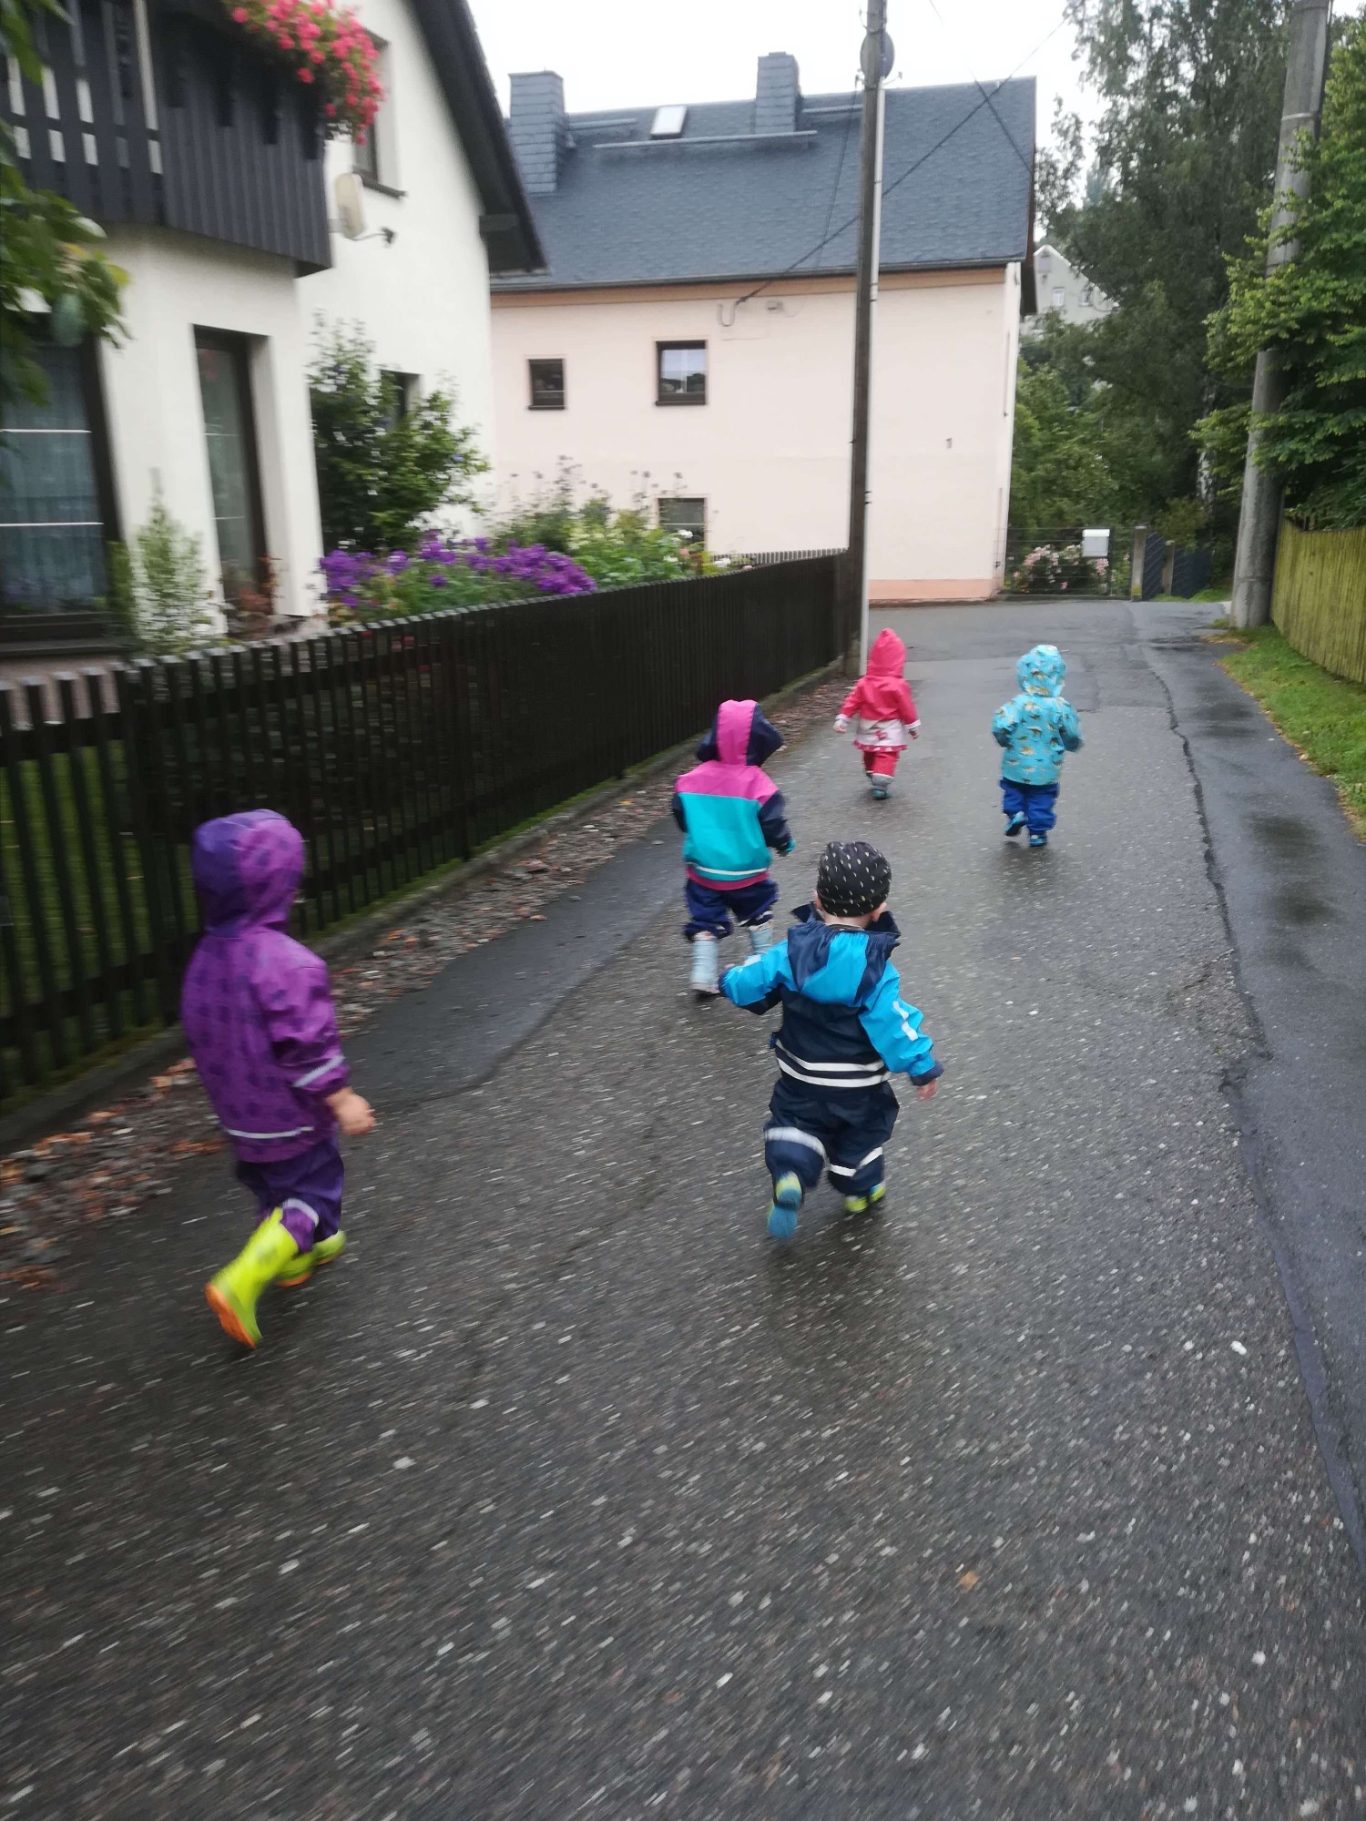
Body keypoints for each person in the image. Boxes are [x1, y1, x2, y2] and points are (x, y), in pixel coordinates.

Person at [180, 810, 375, 1348]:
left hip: (240, 1115)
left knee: (274, 1188)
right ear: (278, 886)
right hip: (290, 1115)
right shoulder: (285, 963)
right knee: (313, 1192)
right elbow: (307, 1043)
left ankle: (295, 1258)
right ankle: (243, 1279)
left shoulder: (204, 960)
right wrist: (341, 1098)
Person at [720, 840, 942, 1240]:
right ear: (878, 910)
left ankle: (791, 1171)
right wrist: (921, 1064)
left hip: (801, 1076)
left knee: (796, 1122)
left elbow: (751, 979)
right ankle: (860, 1190)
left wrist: (728, 980)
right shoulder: (876, 971)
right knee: (861, 1136)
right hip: (858, 1087)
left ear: (818, 899)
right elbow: (895, 1023)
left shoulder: (790, 952)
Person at [673, 698, 795, 998]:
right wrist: (784, 842)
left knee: (705, 919)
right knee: (758, 913)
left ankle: (703, 973)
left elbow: (680, 813)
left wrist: (698, 831)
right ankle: (763, 965)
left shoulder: (691, 780)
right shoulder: (758, 783)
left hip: (704, 871)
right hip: (747, 872)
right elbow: (772, 823)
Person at [992, 643, 1083, 848]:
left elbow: (1001, 725)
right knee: (1042, 797)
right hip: (1046, 768)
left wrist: (1004, 741)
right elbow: (1071, 732)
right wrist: (1072, 744)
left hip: (1016, 764)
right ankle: (1037, 833)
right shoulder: (1060, 706)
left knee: (1013, 789)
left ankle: (1016, 813)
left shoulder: (1018, 703)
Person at [834, 628, 920, 800]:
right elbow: (906, 707)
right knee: (887, 754)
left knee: (870, 751)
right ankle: (880, 783)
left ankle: (871, 771)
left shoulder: (864, 682)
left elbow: (853, 701)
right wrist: (912, 726)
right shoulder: (898, 685)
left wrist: (843, 718)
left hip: (867, 725)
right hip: (889, 727)